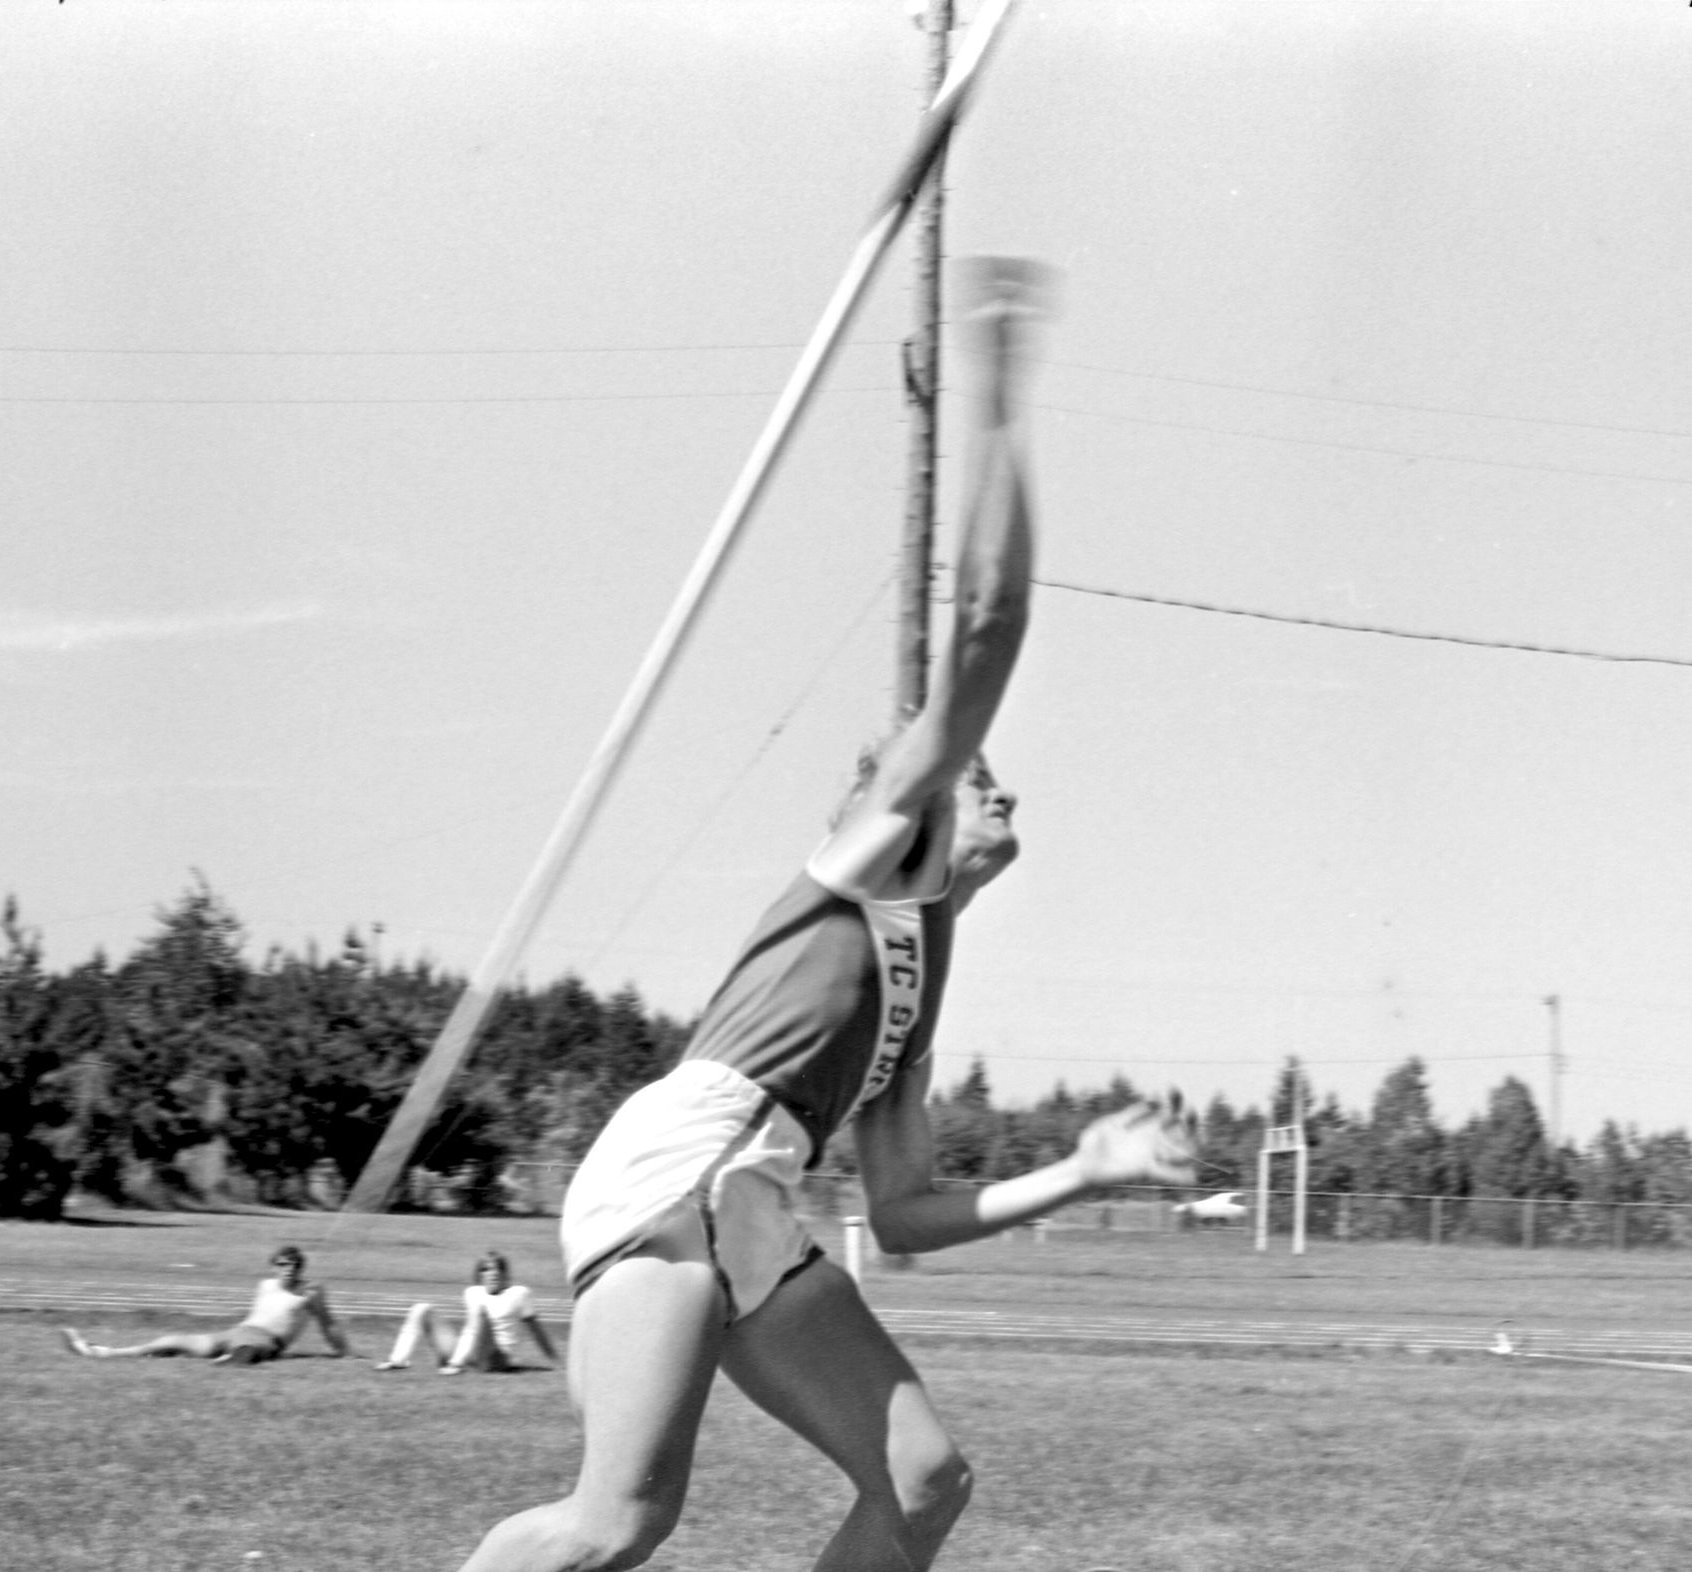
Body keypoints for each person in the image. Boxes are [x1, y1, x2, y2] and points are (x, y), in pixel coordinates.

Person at [453, 257, 1197, 1572]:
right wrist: (999, 407)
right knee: (618, 1522)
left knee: (923, 1481)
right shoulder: (865, 867)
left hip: (752, 1199)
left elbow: (903, 1214)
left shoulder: (922, 964)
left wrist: (1082, 1173)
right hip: (676, 1172)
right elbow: (988, 624)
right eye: (975, 777)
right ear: (911, 802)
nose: (999, 786)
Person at [60, 1244, 352, 1365]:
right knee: (172, 1341)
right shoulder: (265, 1285)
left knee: (250, 1349)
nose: (289, 1269)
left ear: (301, 1267)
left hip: (267, 1340)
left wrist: (342, 1351)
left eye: (295, 1265)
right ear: (274, 1266)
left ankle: (233, 1359)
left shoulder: (310, 1293)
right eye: (283, 1264)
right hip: (238, 1331)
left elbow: (328, 1323)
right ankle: (104, 1352)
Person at [376, 1251, 561, 1375]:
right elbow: (470, 1330)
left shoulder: (520, 1293)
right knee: (422, 1308)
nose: (493, 1273)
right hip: (470, 1354)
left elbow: (537, 1331)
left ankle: (456, 1364)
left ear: (506, 1274)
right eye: (486, 1269)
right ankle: (398, 1360)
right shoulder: (473, 1292)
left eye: (498, 1268)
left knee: (480, 1312)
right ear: (480, 1275)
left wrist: (554, 1359)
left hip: (497, 1357)